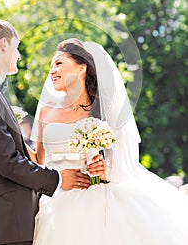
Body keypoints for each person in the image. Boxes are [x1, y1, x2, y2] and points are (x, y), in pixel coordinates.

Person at [0, 20, 104, 245]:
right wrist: (57, 179)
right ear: (4, 45)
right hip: (7, 224)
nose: (18, 55)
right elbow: (7, 162)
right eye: (16, 48)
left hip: (14, 221)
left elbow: (8, 153)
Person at [30, 38, 188, 244]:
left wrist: (103, 170)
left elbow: (117, 166)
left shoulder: (102, 114)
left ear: (81, 67)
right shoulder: (45, 111)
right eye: (51, 66)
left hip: (95, 199)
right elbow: (37, 159)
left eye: (59, 63)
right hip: (55, 202)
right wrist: (9, 132)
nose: (52, 70)